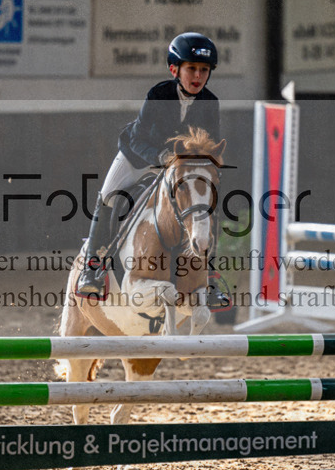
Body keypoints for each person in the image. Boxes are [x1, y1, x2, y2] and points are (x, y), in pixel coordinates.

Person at [76, 31, 230, 309]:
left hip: (181, 165)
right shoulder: (158, 94)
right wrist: (160, 156)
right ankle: (92, 266)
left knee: (205, 206)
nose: (198, 76)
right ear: (174, 70)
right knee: (109, 195)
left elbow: (209, 144)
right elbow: (137, 139)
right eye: (191, 69)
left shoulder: (211, 102)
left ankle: (210, 278)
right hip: (139, 155)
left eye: (204, 70)